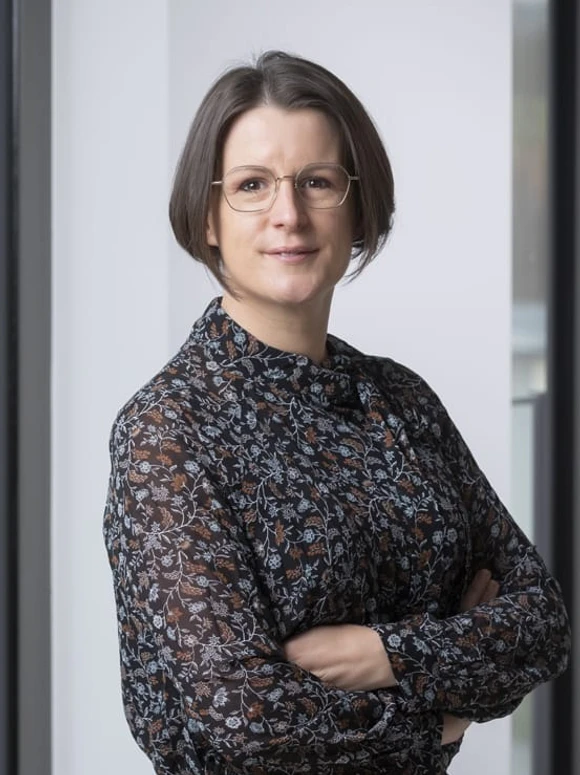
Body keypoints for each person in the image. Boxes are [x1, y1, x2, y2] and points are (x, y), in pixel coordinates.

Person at [103, 50, 571, 775]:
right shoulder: (168, 429)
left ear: (357, 208)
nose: (287, 214)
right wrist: (445, 711)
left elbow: (540, 623)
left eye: (316, 182)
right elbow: (246, 717)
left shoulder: (402, 401)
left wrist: (384, 652)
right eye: (252, 185)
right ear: (208, 218)